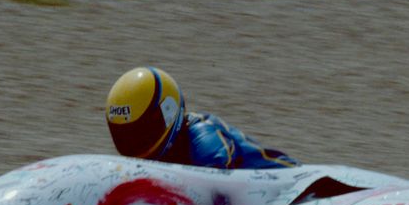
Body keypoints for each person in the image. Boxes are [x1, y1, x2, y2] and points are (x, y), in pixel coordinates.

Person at [105, 66, 299, 170]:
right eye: (125, 136)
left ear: (168, 113)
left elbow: (216, 187)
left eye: (140, 133)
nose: (133, 143)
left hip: (294, 188)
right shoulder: (154, 159)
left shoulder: (204, 136)